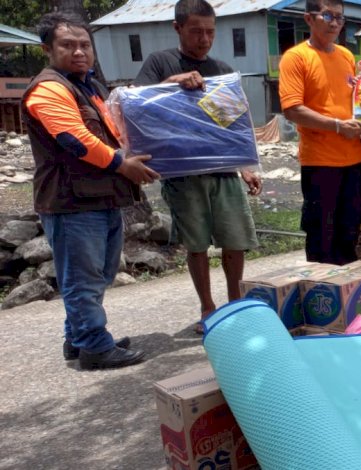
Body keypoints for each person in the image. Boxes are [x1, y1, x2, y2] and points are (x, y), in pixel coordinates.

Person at [22, 13, 158, 369]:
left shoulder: (89, 86)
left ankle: (78, 338)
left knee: (99, 274)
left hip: (99, 197)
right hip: (71, 202)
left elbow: (115, 128)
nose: (79, 51)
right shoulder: (49, 88)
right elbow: (75, 139)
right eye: (68, 45)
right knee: (82, 279)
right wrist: (123, 165)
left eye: (85, 44)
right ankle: (95, 346)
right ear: (47, 49)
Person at [134, 0, 262, 333]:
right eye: (196, 31)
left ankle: (236, 305)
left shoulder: (220, 70)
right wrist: (173, 82)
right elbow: (137, 103)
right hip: (183, 176)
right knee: (196, 244)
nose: (204, 39)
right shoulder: (160, 63)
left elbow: (232, 124)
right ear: (177, 28)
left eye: (210, 32)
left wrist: (246, 166)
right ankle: (208, 308)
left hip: (224, 172)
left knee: (235, 240)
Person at [279, 0, 361, 266]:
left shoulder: (347, 56)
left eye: (340, 17)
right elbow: (292, 109)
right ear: (309, 19)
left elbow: (357, 104)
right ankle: (321, 293)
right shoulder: (295, 57)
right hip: (320, 162)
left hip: (354, 159)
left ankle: (348, 292)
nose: (335, 23)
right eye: (328, 16)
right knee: (321, 241)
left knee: (349, 237)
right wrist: (338, 126)